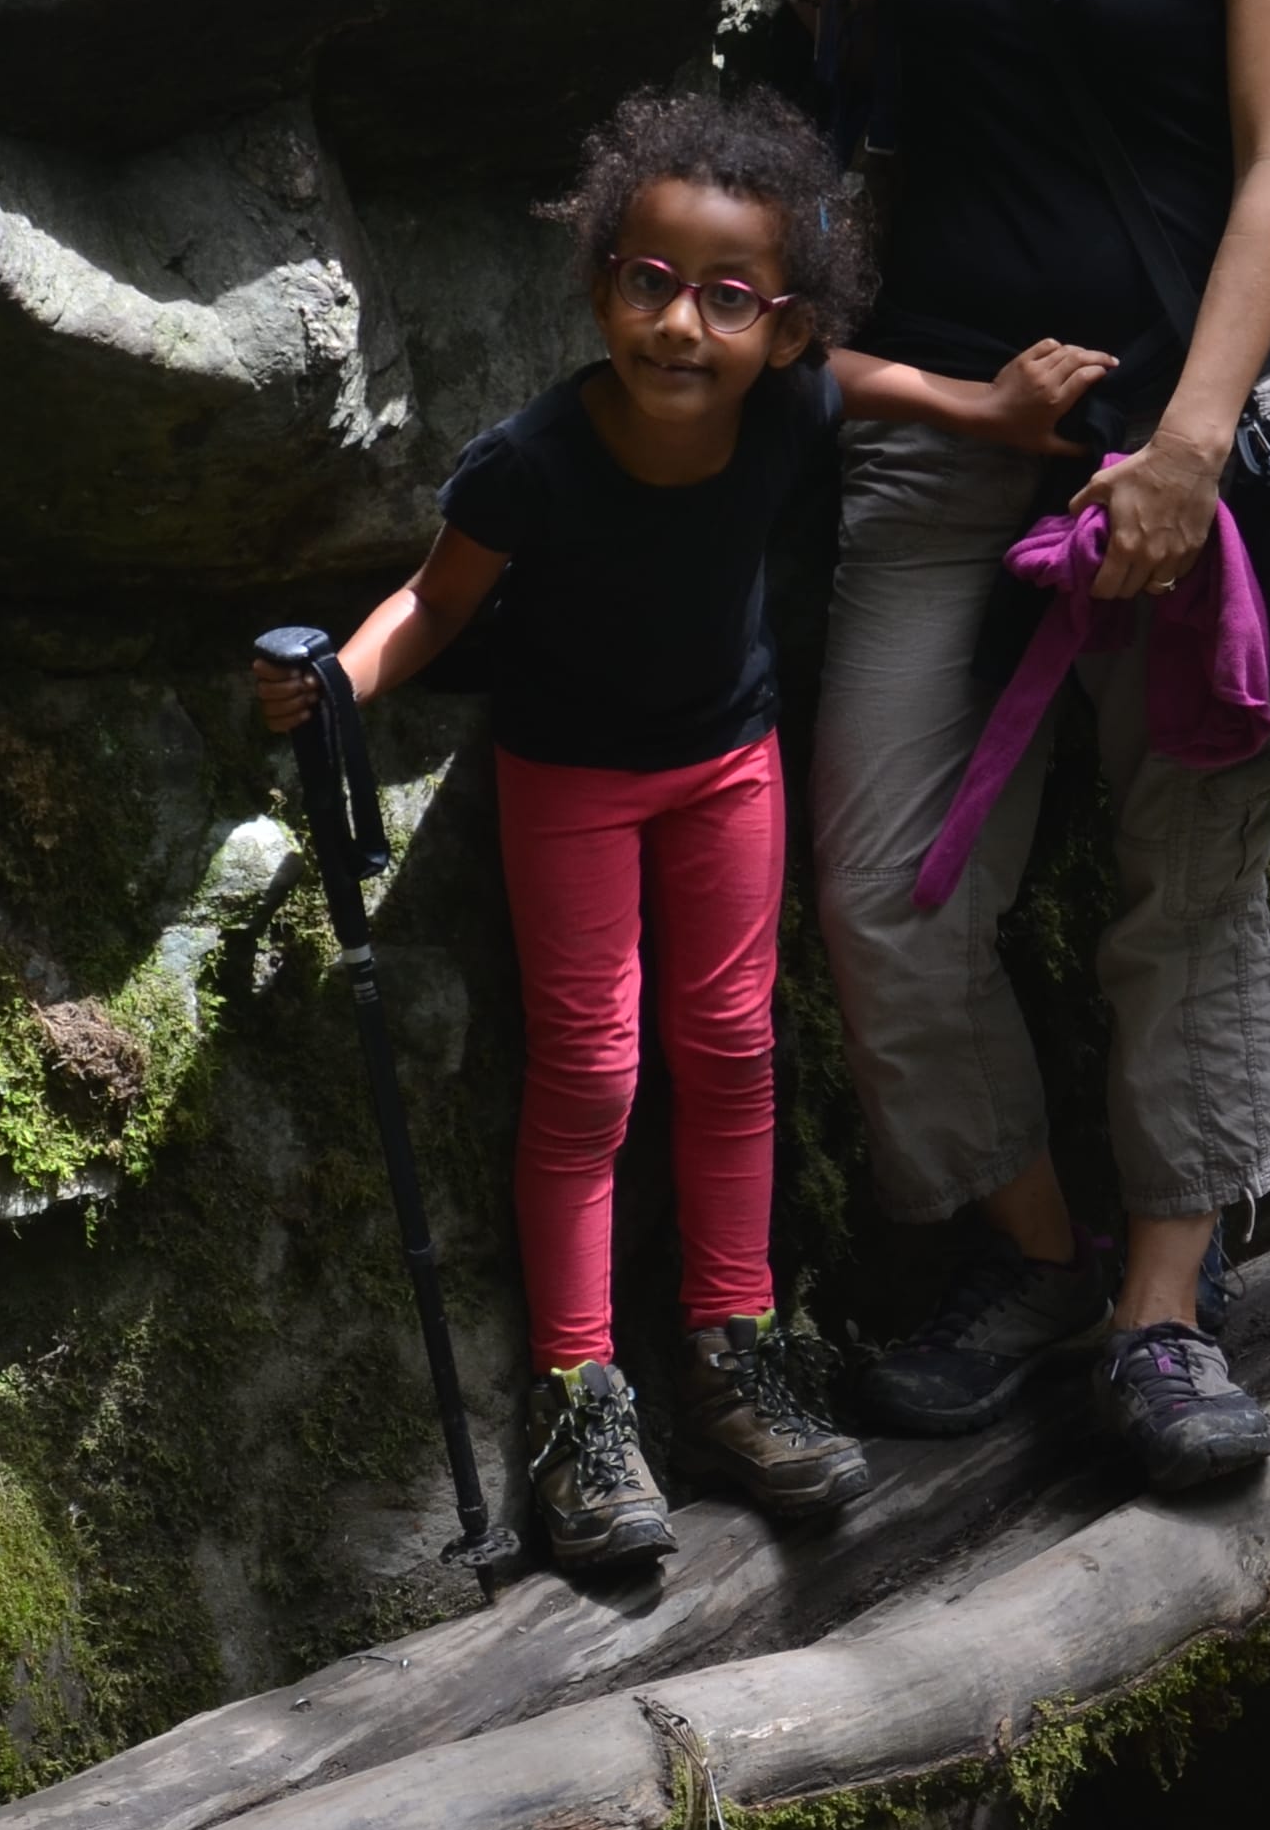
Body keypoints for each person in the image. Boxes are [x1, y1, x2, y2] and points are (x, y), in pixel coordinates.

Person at [743, 0, 1270, 1493]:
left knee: (1182, 882)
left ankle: (1168, 1316)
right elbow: (890, 72)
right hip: (943, 422)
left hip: (1176, 453)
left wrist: (1189, 449)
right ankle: (1032, 1252)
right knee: (881, 887)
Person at [254, 90, 1099, 1574]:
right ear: (600, 290)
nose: (681, 326)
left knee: (734, 1052)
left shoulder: (788, 405)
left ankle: (733, 1355)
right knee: (592, 1072)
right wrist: (339, 684)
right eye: (649, 283)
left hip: (726, 770)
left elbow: (863, 384)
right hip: (569, 780)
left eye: (727, 298)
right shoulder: (531, 461)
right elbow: (437, 602)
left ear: (780, 327)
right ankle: (581, 1399)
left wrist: (989, 412)